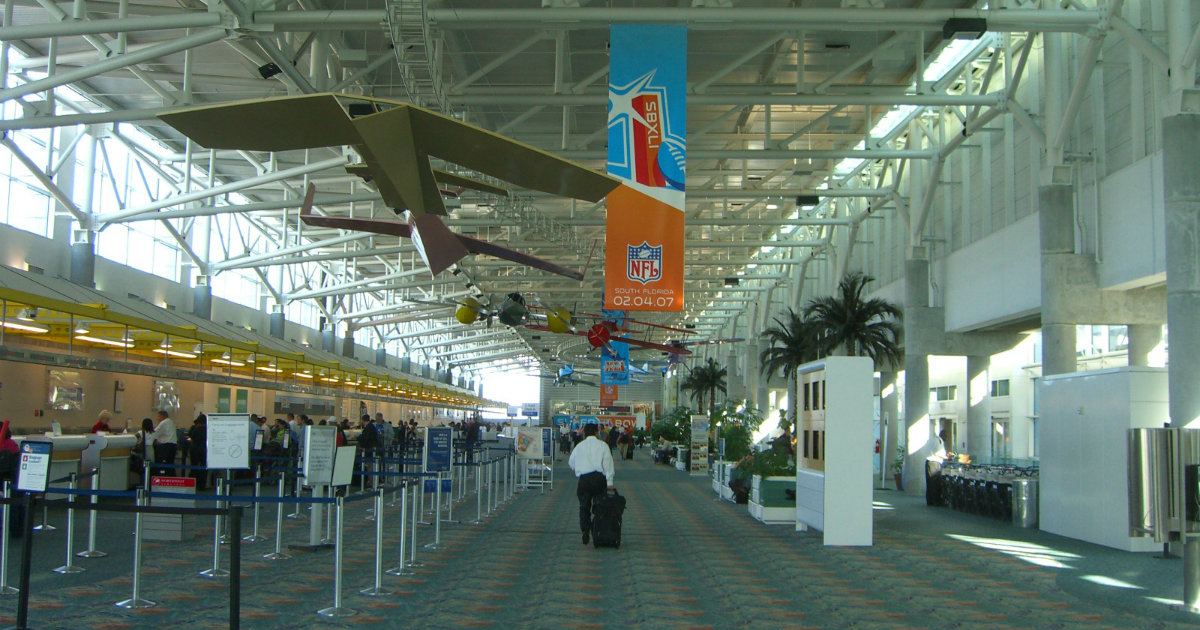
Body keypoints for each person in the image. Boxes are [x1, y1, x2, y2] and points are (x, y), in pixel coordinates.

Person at [567, 423, 615, 546]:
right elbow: (608, 464)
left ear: (584, 433)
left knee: (584, 507)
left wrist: (579, 468)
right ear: (596, 432)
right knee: (600, 507)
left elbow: (571, 462)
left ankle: (585, 529)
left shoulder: (579, 446)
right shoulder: (603, 445)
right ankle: (597, 530)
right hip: (599, 479)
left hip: (584, 480)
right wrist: (609, 482)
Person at [925, 430, 953, 507]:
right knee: (934, 482)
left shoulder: (935, 440)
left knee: (930, 482)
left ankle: (930, 501)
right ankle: (935, 501)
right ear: (942, 435)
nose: (946, 438)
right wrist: (947, 458)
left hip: (930, 462)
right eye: (946, 436)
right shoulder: (938, 441)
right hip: (933, 463)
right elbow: (938, 453)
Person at [150, 409, 177, 475]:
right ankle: (171, 479)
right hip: (173, 445)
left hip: (166, 446)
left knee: (163, 465)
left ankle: (163, 479)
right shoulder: (171, 422)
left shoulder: (164, 422)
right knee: (170, 465)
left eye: (158, 416)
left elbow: (154, 433)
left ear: (162, 416)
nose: (157, 418)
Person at [188, 414, 208, 491]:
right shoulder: (208, 429)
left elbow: (191, 438)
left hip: (194, 449)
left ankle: (192, 484)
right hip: (204, 450)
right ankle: (202, 485)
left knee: (194, 467)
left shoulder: (195, 428)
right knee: (203, 468)